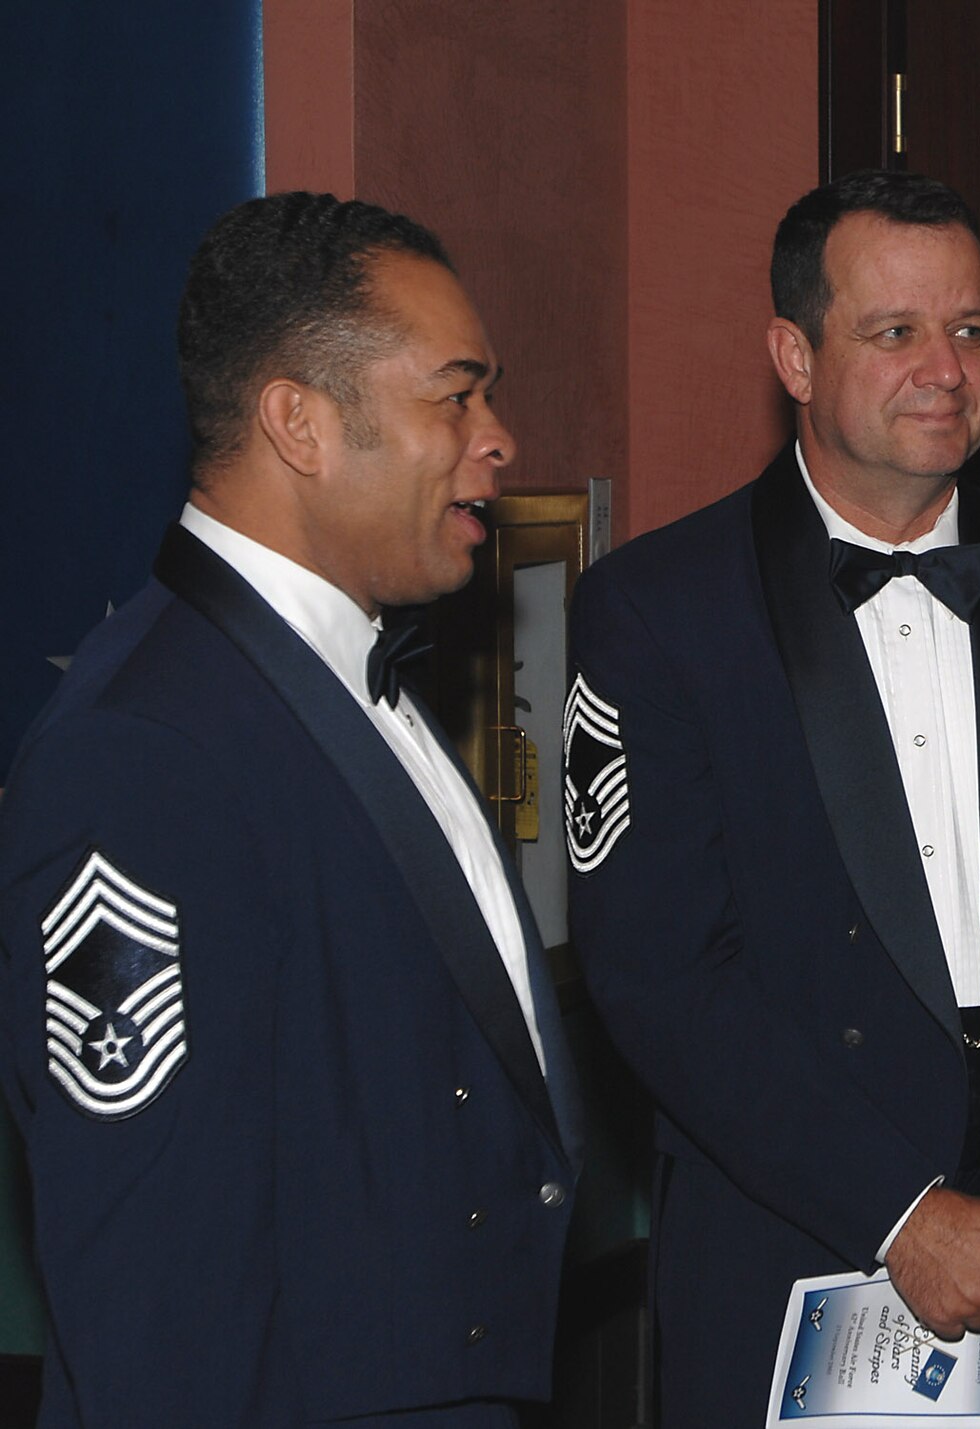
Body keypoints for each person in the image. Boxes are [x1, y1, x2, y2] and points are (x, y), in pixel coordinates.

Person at [566, 169, 980, 1426]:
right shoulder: (658, 613)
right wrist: (902, 1212)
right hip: (793, 1258)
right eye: (894, 332)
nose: (945, 368)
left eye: (970, 330)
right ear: (793, 357)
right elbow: (660, 973)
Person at [0, 192, 583, 1426]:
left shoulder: (352, 669)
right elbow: (153, 1297)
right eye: (455, 396)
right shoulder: (140, 751)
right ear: (299, 423)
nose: (498, 439)